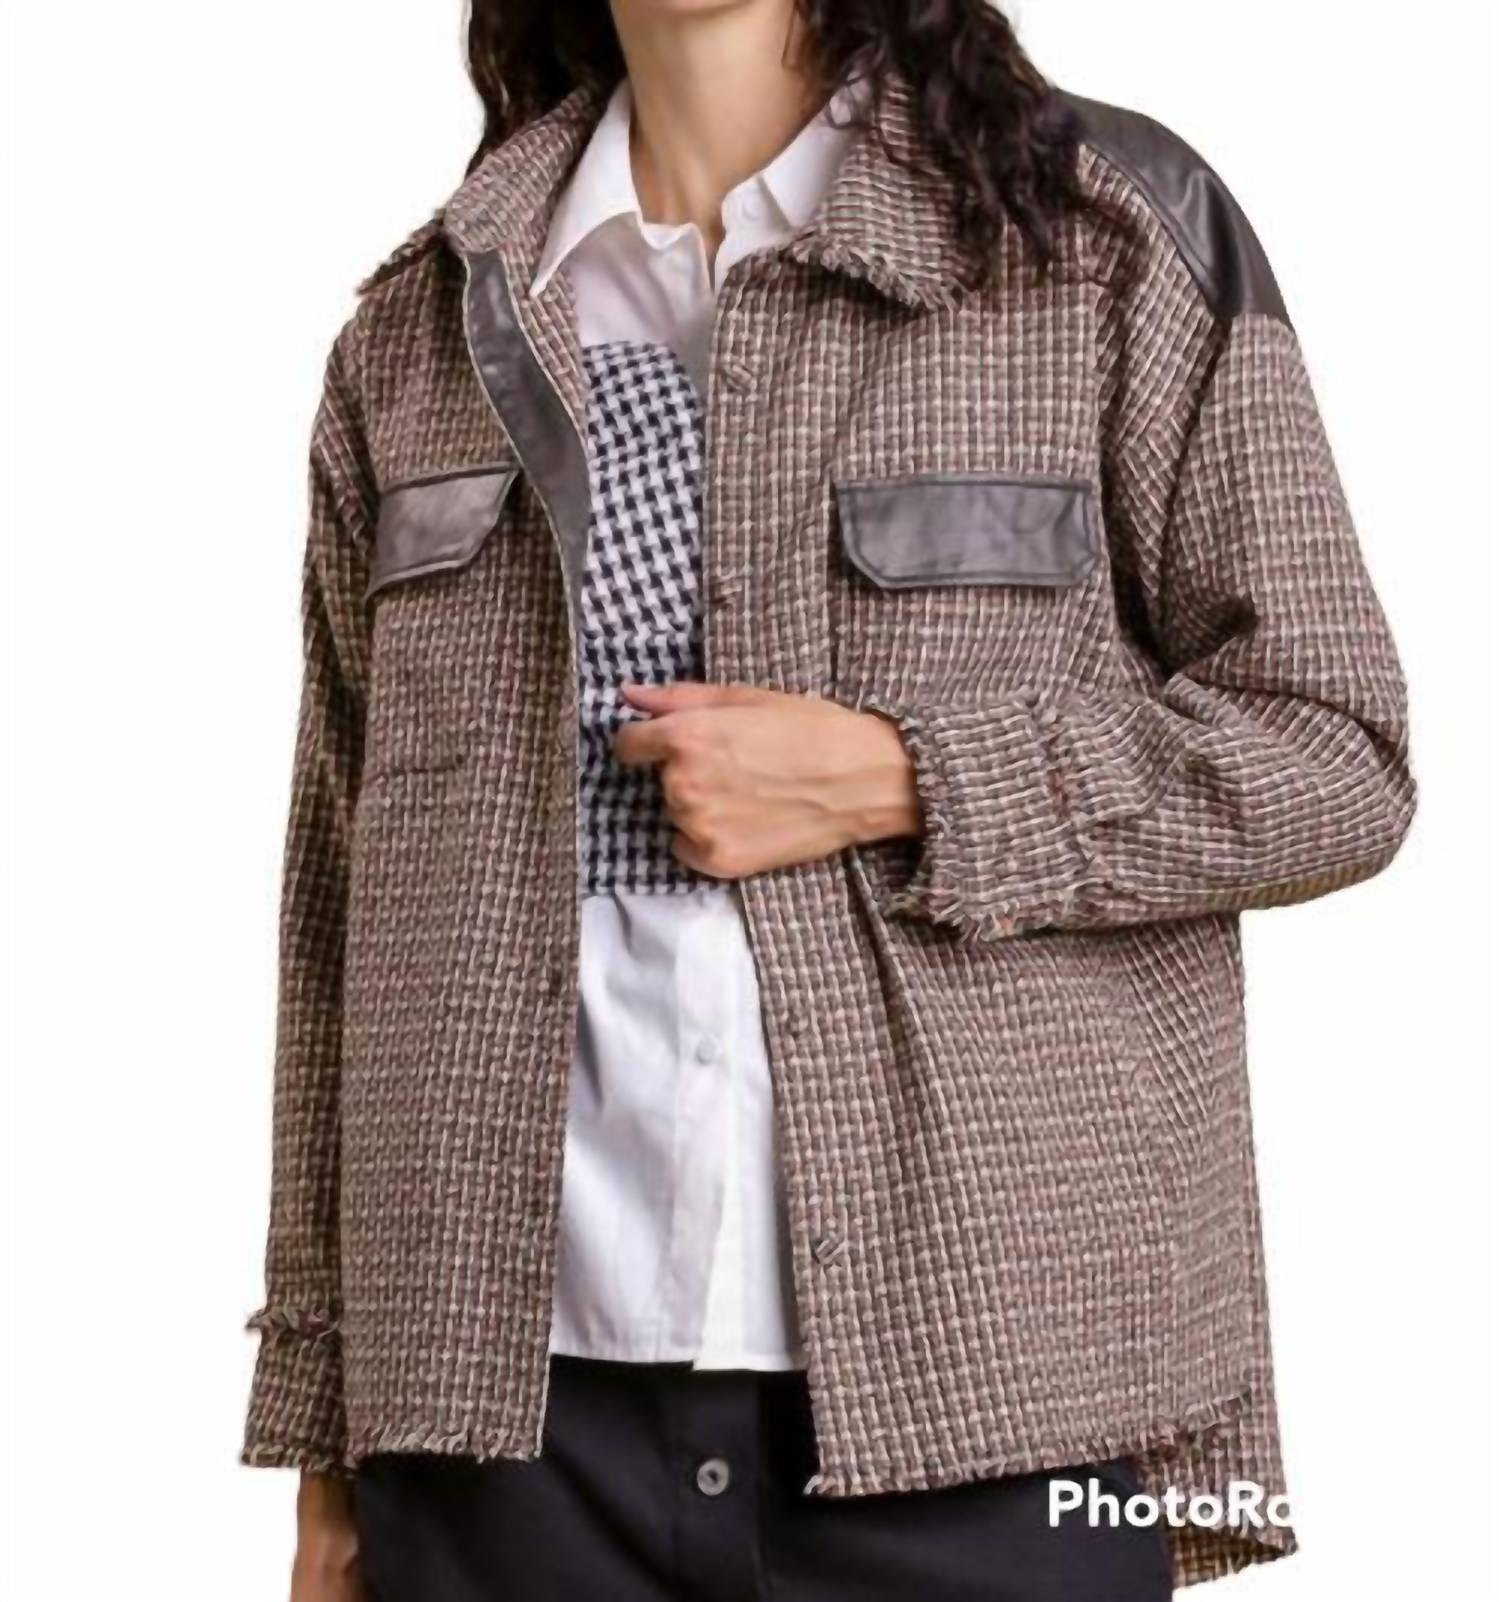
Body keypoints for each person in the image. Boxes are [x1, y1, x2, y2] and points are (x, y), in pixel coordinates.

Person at [241, 2, 1415, 1597]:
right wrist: (326, 1434)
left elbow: (1336, 750)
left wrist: (907, 777)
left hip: (1004, 1403)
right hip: (500, 1432)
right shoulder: (420, 330)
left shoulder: (1100, 237)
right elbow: (336, 915)